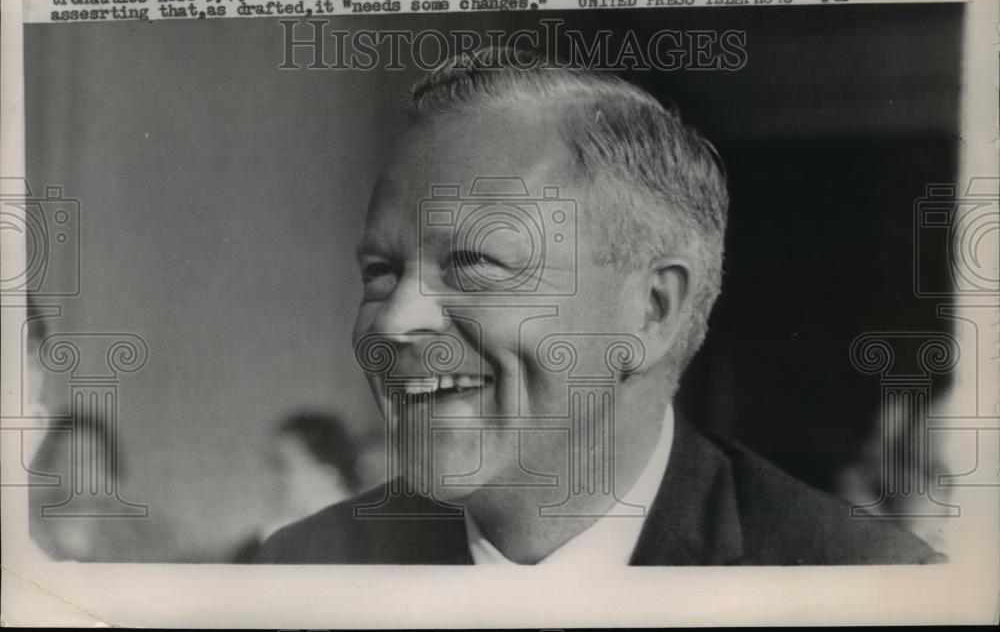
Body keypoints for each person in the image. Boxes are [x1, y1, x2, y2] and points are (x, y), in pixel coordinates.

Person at [257, 46, 943, 565]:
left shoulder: (863, 580)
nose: (394, 320)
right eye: (380, 271)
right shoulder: (305, 565)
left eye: (473, 263)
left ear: (651, 310)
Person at [232, 411, 361, 562]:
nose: (272, 478)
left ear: (326, 475)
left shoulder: (365, 542)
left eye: (282, 465)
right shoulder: (265, 543)